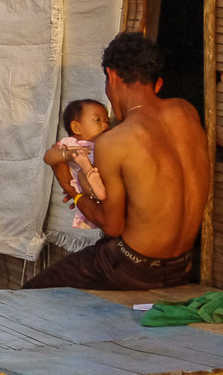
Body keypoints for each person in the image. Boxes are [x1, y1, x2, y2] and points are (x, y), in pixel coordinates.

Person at [25, 33, 210, 290]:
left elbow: (112, 226)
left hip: (134, 267)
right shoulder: (186, 112)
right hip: (182, 266)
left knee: (32, 293)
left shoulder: (114, 141)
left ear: (112, 76)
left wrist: (72, 191)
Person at [43, 99, 110, 230]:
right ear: (76, 128)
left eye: (108, 122)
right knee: (82, 174)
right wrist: (66, 154)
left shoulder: (105, 143)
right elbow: (48, 157)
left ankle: (96, 185)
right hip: (85, 186)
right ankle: (94, 184)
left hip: (103, 182)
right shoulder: (71, 144)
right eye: (98, 120)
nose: (105, 126)